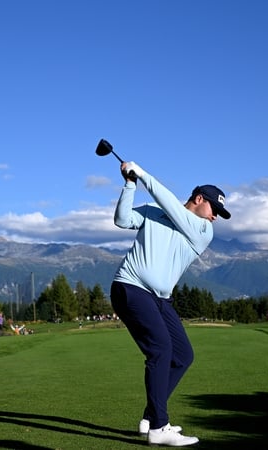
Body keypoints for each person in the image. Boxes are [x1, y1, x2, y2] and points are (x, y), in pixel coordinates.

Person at [109, 160, 230, 447]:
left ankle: (151, 416)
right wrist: (130, 184)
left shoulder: (203, 231)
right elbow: (122, 220)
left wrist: (142, 173)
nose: (216, 217)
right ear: (199, 199)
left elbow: (173, 207)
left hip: (160, 299)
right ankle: (159, 428)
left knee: (183, 355)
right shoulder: (154, 213)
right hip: (131, 287)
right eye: (215, 210)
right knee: (161, 349)